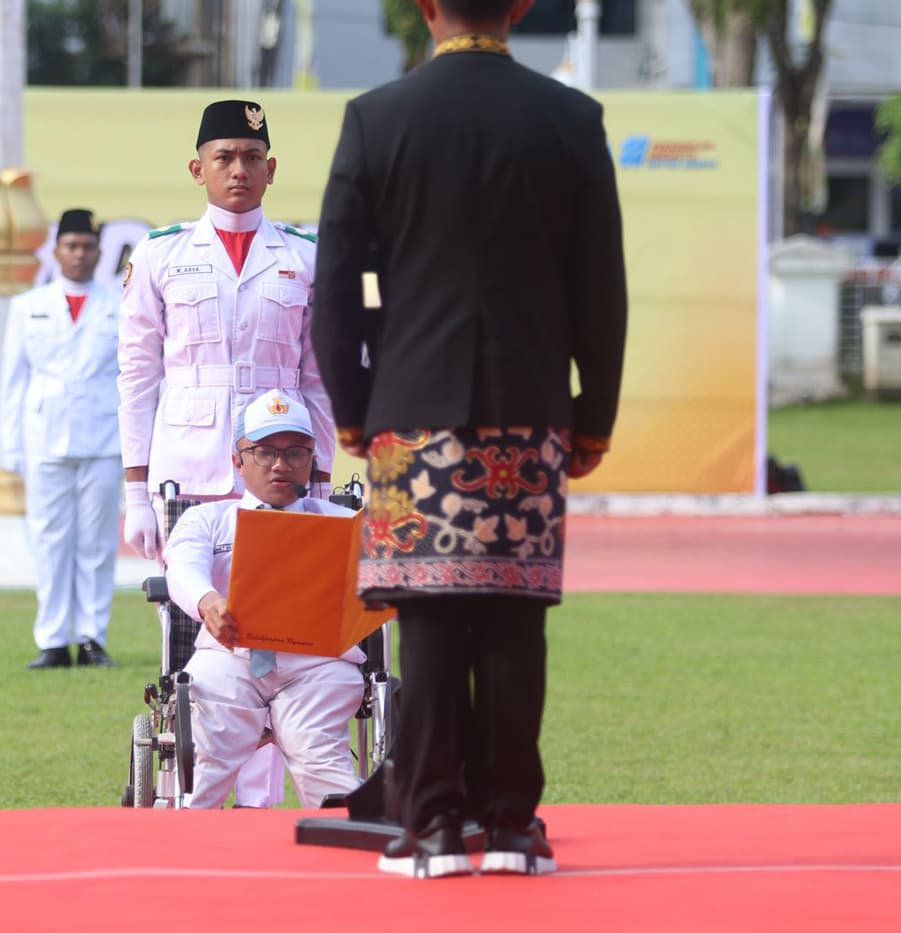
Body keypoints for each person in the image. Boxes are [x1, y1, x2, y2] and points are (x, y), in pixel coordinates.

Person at [313, 0, 628, 878]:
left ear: (426, 9)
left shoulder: (379, 118)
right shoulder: (569, 118)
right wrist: (591, 411)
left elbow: (336, 281)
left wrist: (350, 406)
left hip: (410, 412)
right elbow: (600, 284)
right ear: (521, 7)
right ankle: (514, 824)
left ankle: (435, 825)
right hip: (529, 408)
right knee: (514, 617)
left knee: (431, 617)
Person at [118, 99, 338, 806]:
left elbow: (318, 378)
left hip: (279, 478)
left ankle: (259, 807)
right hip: (188, 476)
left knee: (279, 631)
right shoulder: (161, 254)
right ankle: (202, 784)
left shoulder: (303, 257)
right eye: (224, 157)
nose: (238, 170)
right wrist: (134, 487)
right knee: (200, 634)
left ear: (271, 168)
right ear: (198, 169)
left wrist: (323, 482)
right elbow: (137, 375)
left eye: (251, 157)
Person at [165, 389, 365, 809]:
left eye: (295, 452)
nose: (280, 464)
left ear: (312, 459)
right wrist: (208, 602)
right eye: (263, 452)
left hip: (320, 664)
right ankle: (182, 853)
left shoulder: (347, 524)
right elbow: (181, 567)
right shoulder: (208, 519)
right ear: (238, 461)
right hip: (230, 656)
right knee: (204, 768)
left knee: (319, 760)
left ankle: (345, 855)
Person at [1, 208, 123, 670]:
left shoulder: (118, 303)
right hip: (44, 436)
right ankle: (53, 638)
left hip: (104, 437)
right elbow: (13, 382)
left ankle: (92, 636)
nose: (79, 254)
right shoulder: (28, 305)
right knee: (50, 541)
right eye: (71, 246)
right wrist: (12, 446)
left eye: (87, 246)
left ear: (98, 252)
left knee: (97, 543)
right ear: (56, 252)